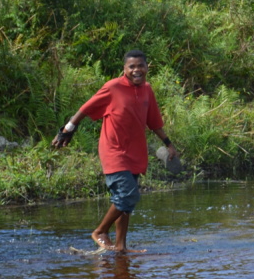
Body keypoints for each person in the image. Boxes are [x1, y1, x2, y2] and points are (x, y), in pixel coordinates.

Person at [51, 50, 178, 252]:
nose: (137, 70)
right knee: (128, 195)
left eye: (140, 66)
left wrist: (169, 143)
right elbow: (85, 108)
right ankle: (100, 231)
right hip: (114, 151)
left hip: (135, 152)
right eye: (132, 67)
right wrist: (67, 130)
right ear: (124, 69)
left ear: (147, 67)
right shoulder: (113, 87)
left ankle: (120, 246)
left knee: (125, 202)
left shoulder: (147, 89)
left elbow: (153, 122)